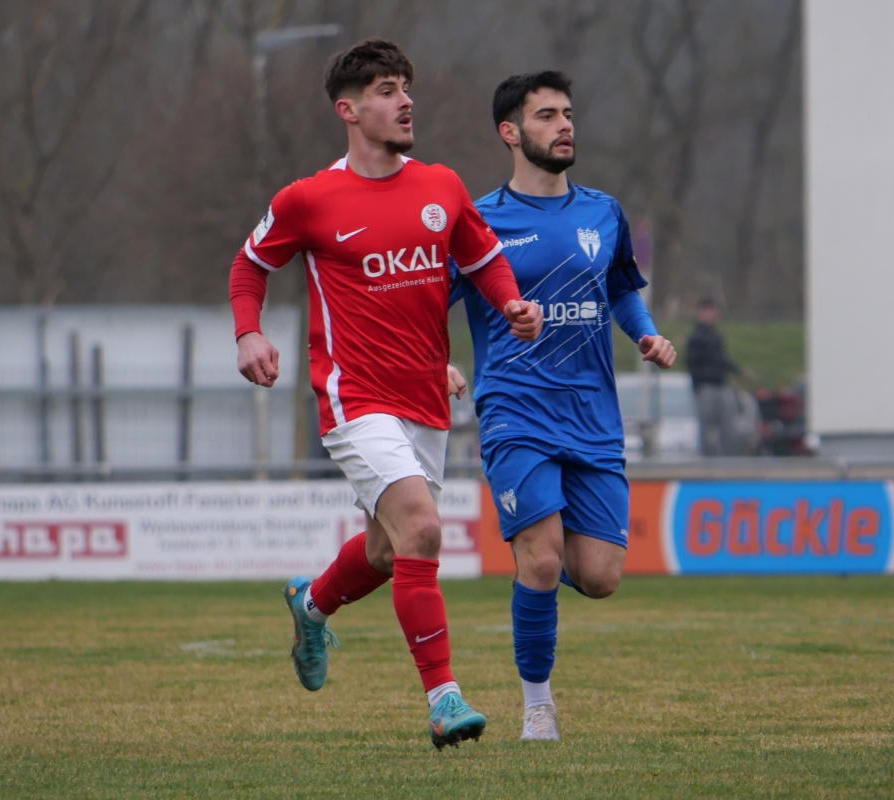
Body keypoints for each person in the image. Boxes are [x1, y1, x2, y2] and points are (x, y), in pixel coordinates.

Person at [229, 38, 542, 749]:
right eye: (387, 90)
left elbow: (484, 258)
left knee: (386, 549)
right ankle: (444, 699)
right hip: (354, 396)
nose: (406, 102)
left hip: (424, 399)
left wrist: (511, 303)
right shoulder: (308, 199)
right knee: (423, 531)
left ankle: (311, 605)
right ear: (348, 110)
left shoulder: (441, 186)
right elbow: (249, 266)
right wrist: (248, 333)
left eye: (406, 87)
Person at [451, 71, 676, 741]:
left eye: (568, 113)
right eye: (546, 115)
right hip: (514, 408)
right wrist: (438, 360)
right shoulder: (478, 221)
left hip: (592, 416)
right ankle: (537, 706)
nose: (564, 125)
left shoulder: (604, 212)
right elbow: (429, 302)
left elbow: (620, 290)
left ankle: (532, 567)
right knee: (545, 559)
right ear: (510, 132)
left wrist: (646, 334)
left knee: (600, 577)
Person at [686, 296, 746, 455]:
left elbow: (722, 360)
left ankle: (728, 457)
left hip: (721, 385)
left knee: (728, 425)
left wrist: (738, 371)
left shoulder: (716, 336)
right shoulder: (695, 337)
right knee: (706, 428)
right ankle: (707, 459)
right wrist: (698, 385)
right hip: (705, 387)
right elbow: (691, 364)